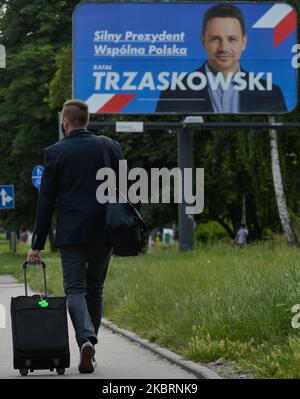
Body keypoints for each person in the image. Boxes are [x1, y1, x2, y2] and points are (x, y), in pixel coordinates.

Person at [27, 99, 124, 374]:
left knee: (74, 290)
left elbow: (46, 202)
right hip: (105, 231)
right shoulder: (110, 147)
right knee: (96, 290)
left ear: (65, 122)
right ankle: (90, 341)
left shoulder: (55, 153)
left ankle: (84, 339)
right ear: (87, 121)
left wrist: (37, 244)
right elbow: (126, 188)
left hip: (72, 234)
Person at [156, 4, 287, 114]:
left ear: (244, 42)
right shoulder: (173, 93)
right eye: (215, 39)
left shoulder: (271, 93)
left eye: (232, 39)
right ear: (203, 41)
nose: (224, 48)